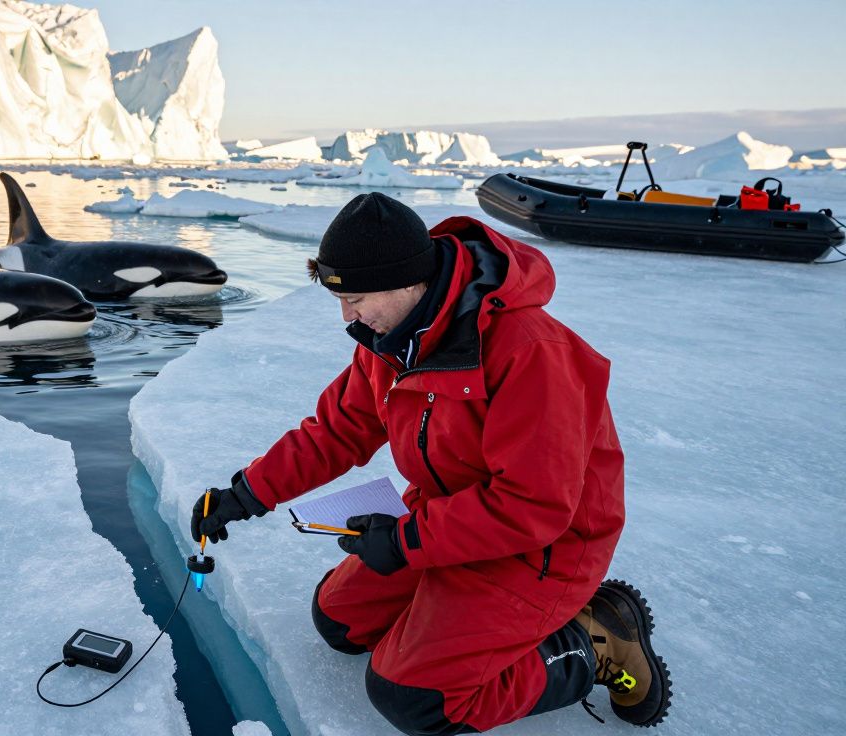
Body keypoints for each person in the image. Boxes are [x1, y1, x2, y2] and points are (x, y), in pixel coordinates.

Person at [189, 193, 672, 734]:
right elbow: (337, 430)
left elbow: (533, 506)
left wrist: (404, 542)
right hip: (452, 521)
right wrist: (246, 493)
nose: (347, 316)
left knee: (415, 697)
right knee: (340, 621)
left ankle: (596, 643)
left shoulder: (532, 352)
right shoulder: (388, 339)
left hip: (544, 545)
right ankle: (452, 619)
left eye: (358, 298)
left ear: (407, 281)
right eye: (338, 298)